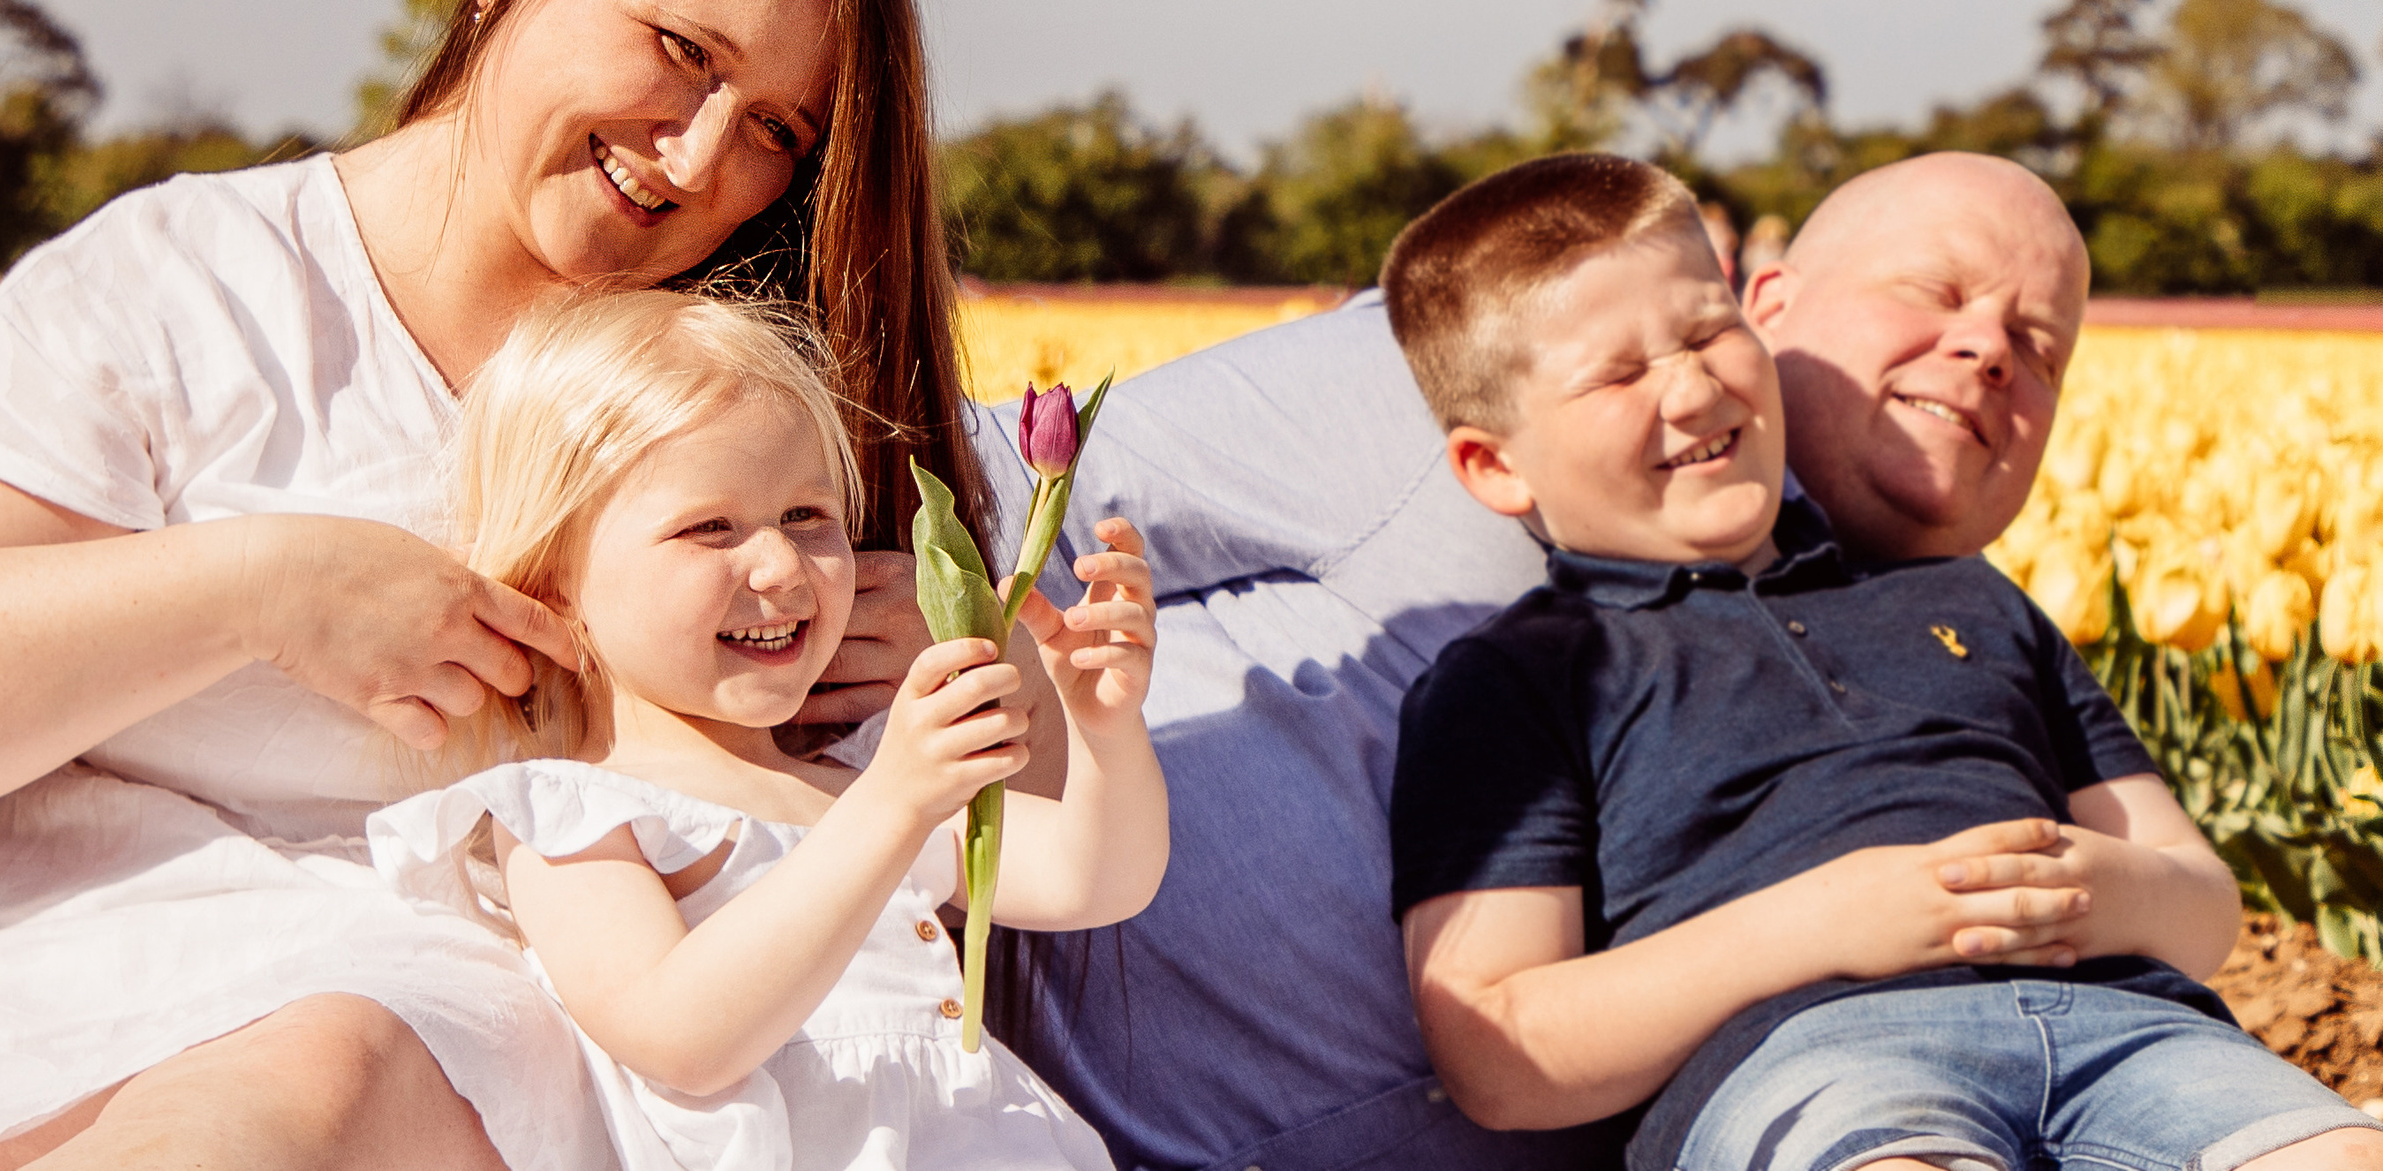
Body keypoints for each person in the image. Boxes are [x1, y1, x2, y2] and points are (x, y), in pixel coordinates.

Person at [0, 0, 1018, 1169]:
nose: (697, 156)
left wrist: (982, 679)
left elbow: (924, 875)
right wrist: (260, 586)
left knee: (343, 1057)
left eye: (773, 131)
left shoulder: (754, 414)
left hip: (518, 1083)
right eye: (680, 49)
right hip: (58, 1027)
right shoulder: (191, 289)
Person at [881, 151, 2153, 1171]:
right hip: (936, 1078)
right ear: (1767, 305)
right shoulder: (1472, 362)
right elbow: (987, 492)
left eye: (2045, 347)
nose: (1992, 352)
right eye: (1934, 292)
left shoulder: (1956, 653)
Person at [1381, 152, 2378, 1171]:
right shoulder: (1519, 675)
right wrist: (1831, 921)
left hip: (2125, 1022)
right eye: (1621, 372)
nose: (1690, 386)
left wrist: (2094, 889)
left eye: (1705, 332)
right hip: (1811, 1058)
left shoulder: (1968, 596)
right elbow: (1496, 1051)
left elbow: (2202, 902)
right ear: (1493, 465)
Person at [370, 290, 1160, 1170]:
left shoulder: (852, 784)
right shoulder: (572, 815)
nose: (783, 566)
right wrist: (891, 808)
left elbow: (1100, 878)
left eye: (807, 516)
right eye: (711, 528)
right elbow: (680, 1035)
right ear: (554, 583)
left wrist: (1103, 730)